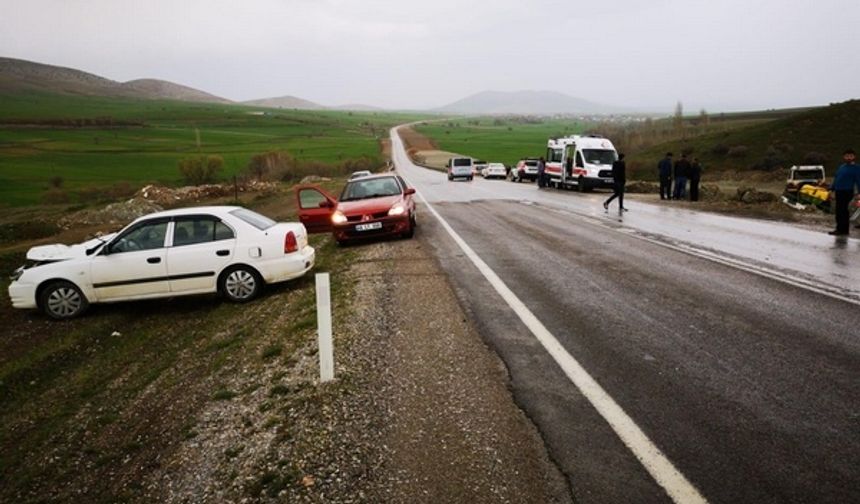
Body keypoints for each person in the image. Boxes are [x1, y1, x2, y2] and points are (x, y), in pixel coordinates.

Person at [828, 149, 860, 236]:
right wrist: (832, 188)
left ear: (854, 157)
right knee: (838, 211)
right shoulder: (841, 167)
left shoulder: (857, 168)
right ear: (844, 157)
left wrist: (859, 193)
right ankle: (839, 229)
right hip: (839, 192)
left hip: (847, 192)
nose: (849, 158)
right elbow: (837, 178)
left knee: (844, 211)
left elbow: (859, 181)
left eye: (851, 156)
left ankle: (843, 230)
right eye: (847, 156)